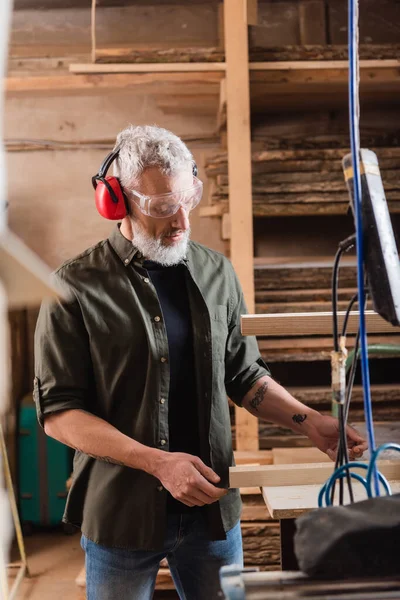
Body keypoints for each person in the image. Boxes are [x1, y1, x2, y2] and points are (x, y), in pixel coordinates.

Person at [34, 125, 367, 600]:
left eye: (188, 200)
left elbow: (244, 376)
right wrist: (158, 464)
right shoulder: (72, 289)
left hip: (211, 513)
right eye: (164, 208)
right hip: (122, 518)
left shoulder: (217, 272)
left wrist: (308, 420)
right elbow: (59, 415)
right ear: (118, 200)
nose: (183, 222)